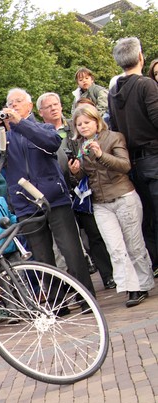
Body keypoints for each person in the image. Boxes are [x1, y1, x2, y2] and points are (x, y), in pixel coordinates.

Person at [0, 88, 95, 294]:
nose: (13, 106)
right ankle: (58, 303)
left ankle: (85, 297)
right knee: (42, 257)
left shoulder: (44, 128)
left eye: (18, 102)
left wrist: (20, 124)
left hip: (54, 199)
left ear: (29, 107)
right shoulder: (4, 138)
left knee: (71, 250)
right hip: (25, 204)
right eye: (10, 103)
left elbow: (51, 143)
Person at [68, 104, 153, 307]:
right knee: (115, 247)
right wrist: (75, 171)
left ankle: (143, 284)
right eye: (79, 124)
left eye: (86, 122)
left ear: (97, 122)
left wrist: (100, 155)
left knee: (134, 245)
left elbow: (124, 166)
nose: (83, 127)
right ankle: (130, 289)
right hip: (100, 203)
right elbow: (83, 178)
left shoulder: (114, 137)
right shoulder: (79, 146)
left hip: (123, 196)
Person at [38, 92, 114, 289]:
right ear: (40, 112)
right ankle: (76, 285)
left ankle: (108, 275)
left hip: (82, 187)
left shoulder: (75, 125)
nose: (54, 108)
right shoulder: (39, 132)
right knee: (69, 242)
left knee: (93, 233)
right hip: (57, 191)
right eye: (49, 106)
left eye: (56, 104)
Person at [108, 37, 158, 276]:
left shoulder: (113, 92)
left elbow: (116, 129)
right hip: (153, 157)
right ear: (141, 57)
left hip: (133, 163)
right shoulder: (146, 85)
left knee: (148, 216)